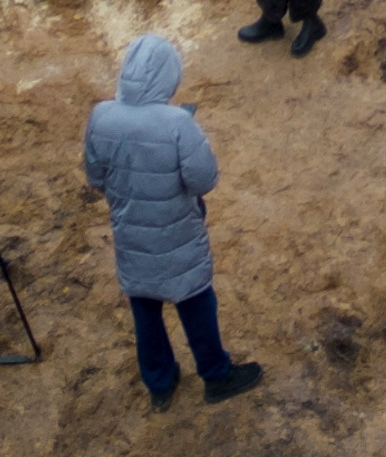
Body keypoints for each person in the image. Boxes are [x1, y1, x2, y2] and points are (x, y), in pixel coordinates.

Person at [84, 34, 266, 408]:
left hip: (131, 234)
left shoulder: (101, 116)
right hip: (179, 235)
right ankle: (216, 375)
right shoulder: (178, 125)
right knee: (196, 302)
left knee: (145, 308)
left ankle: (160, 384)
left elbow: (95, 177)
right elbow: (205, 180)